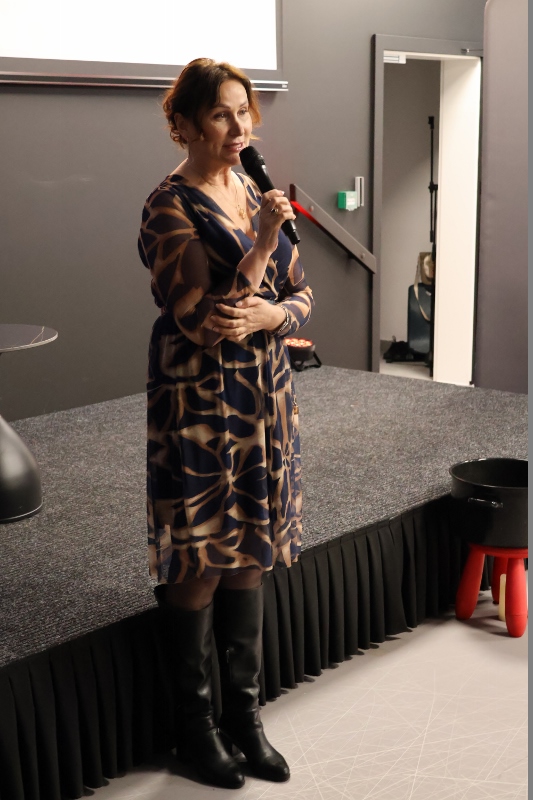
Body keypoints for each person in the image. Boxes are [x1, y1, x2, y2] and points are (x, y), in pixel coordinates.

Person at [138, 57, 314, 790]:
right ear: (184, 124)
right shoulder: (166, 206)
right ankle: (195, 729)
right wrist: (262, 247)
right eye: (221, 114)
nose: (239, 126)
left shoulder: (251, 186)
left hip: (263, 398)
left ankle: (243, 718)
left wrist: (276, 314)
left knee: (250, 555)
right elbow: (204, 321)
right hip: (200, 405)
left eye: (245, 111)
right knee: (201, 562)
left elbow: (299, 295)